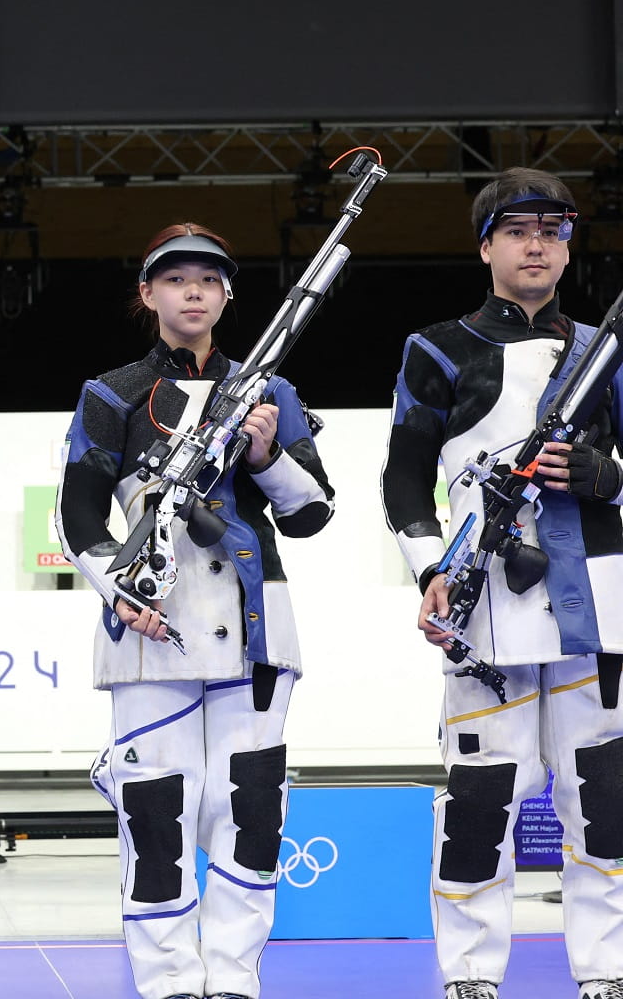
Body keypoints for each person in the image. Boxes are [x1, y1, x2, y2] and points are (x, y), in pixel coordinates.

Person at [55, 223, 335, 999]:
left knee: (249, 814)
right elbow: (77, 517)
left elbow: (313, 513)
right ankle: (170, 982)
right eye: (175, 280)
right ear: (147, 295)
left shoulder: (270, 393)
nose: (193, 293)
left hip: (256, 633)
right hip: (151, 632)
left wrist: (266, 456)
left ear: (227, 295)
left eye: (208, 281)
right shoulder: (111, 394)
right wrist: (121, 591)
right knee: (155, 818)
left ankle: (235, 979)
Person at [383, 168, 623, 999]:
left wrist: (606, 474)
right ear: (486, 245)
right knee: (481, 801)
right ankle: (472, 973)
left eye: (553, 231)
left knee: (608, 800)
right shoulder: (436, 348)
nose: (537, 245)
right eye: (519, 230)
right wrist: (431, 572)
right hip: (483, 603)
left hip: (598, 605)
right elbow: (402, 479)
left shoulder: (605, 349)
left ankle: (606, 970)